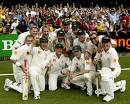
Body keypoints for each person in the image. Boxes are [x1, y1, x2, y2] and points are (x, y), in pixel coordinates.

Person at [94, 36, 126, 102]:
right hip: (105, 70)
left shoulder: (113, 53)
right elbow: (96, 58)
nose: (105, 44)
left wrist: (100, 72)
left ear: (110, 43)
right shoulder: (101, 50)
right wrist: (95, 60)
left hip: (115, 70)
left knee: (105, 77)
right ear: (101, 43)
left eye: (107, 42)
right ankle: (121, 83)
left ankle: (110, 95)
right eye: (104, 43)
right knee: (105, 88)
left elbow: (112, 68)